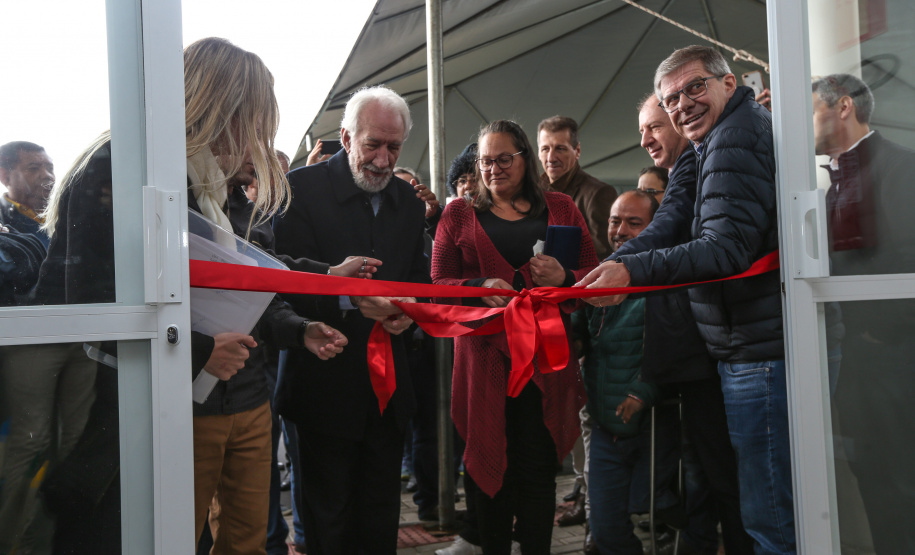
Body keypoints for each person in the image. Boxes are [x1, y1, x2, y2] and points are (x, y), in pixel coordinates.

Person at [579, 46, 792, 554]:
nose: (682, 105)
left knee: (767, 514)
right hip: (739, 346)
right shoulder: (709, 142)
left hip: (757, 352)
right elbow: (671, 219)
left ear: (727, 82)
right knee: (745, 499)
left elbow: (725, 248)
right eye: (670, 99)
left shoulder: (736, 134)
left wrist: (629, 270)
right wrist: (610, 268)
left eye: (694, 87)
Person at [272, 86, 429, 554]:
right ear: (345, 137)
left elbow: (420, 285)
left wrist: (407, 315)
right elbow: (280, 280)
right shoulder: (298, 190)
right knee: (328, 521)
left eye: (394, 147)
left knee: (380, 516)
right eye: (373, 145)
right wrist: (348, 300)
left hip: (387, 391)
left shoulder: (408, 201)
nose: (383, 160)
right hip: (322, 389)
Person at [432, 119, 598, 554]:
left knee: (538, 473)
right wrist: (478, 288)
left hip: (545, 360)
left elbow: (591, 277)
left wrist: (565, 276)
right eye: (485, 161)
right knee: (489, 476)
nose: (493, 169)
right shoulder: (459, 213)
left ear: (525, 158)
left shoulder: (561, 208)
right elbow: (436, 284)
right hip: (484, 361)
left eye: (504, 159)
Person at [627, 96, 756, 555]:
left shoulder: (699, 163)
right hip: (703, 351)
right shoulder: (694, 163)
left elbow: (666, 232)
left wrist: (605, 273)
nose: (646, 140)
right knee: (706, 477)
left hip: (717, 350)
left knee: (725, 480)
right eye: (642, 130)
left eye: (655, 127)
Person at [812, 73, 915, 554]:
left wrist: (878, 334)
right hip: (856, 365)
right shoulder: (833, 183)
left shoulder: (898, 167)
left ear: (844, 107)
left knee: (900, 483)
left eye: (808, 110)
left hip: (892, 363)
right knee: (873, 480)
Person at [572, 189, 685, 554]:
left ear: (656, 228)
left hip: (653, 425)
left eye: (634, 223)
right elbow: (580, 336)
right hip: (605, 425)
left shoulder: (666, 278)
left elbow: (674, 348)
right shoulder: (597, 274)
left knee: (656, 507)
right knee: (604, 529)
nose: (620, 230)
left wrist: (643, 392)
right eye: (614, 221)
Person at [537, 115, 618, 260]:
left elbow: (603, 254)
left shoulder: (598, 194)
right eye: (545, 149)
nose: (551, 158)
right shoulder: (531, 190)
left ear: (577, 151)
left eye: (560, 149)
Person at [0, 141, 54, 248]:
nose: (47, 175)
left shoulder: (69, 212)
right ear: (5, 177)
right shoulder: (2, 221)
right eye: (33, 168)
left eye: (50, 168)